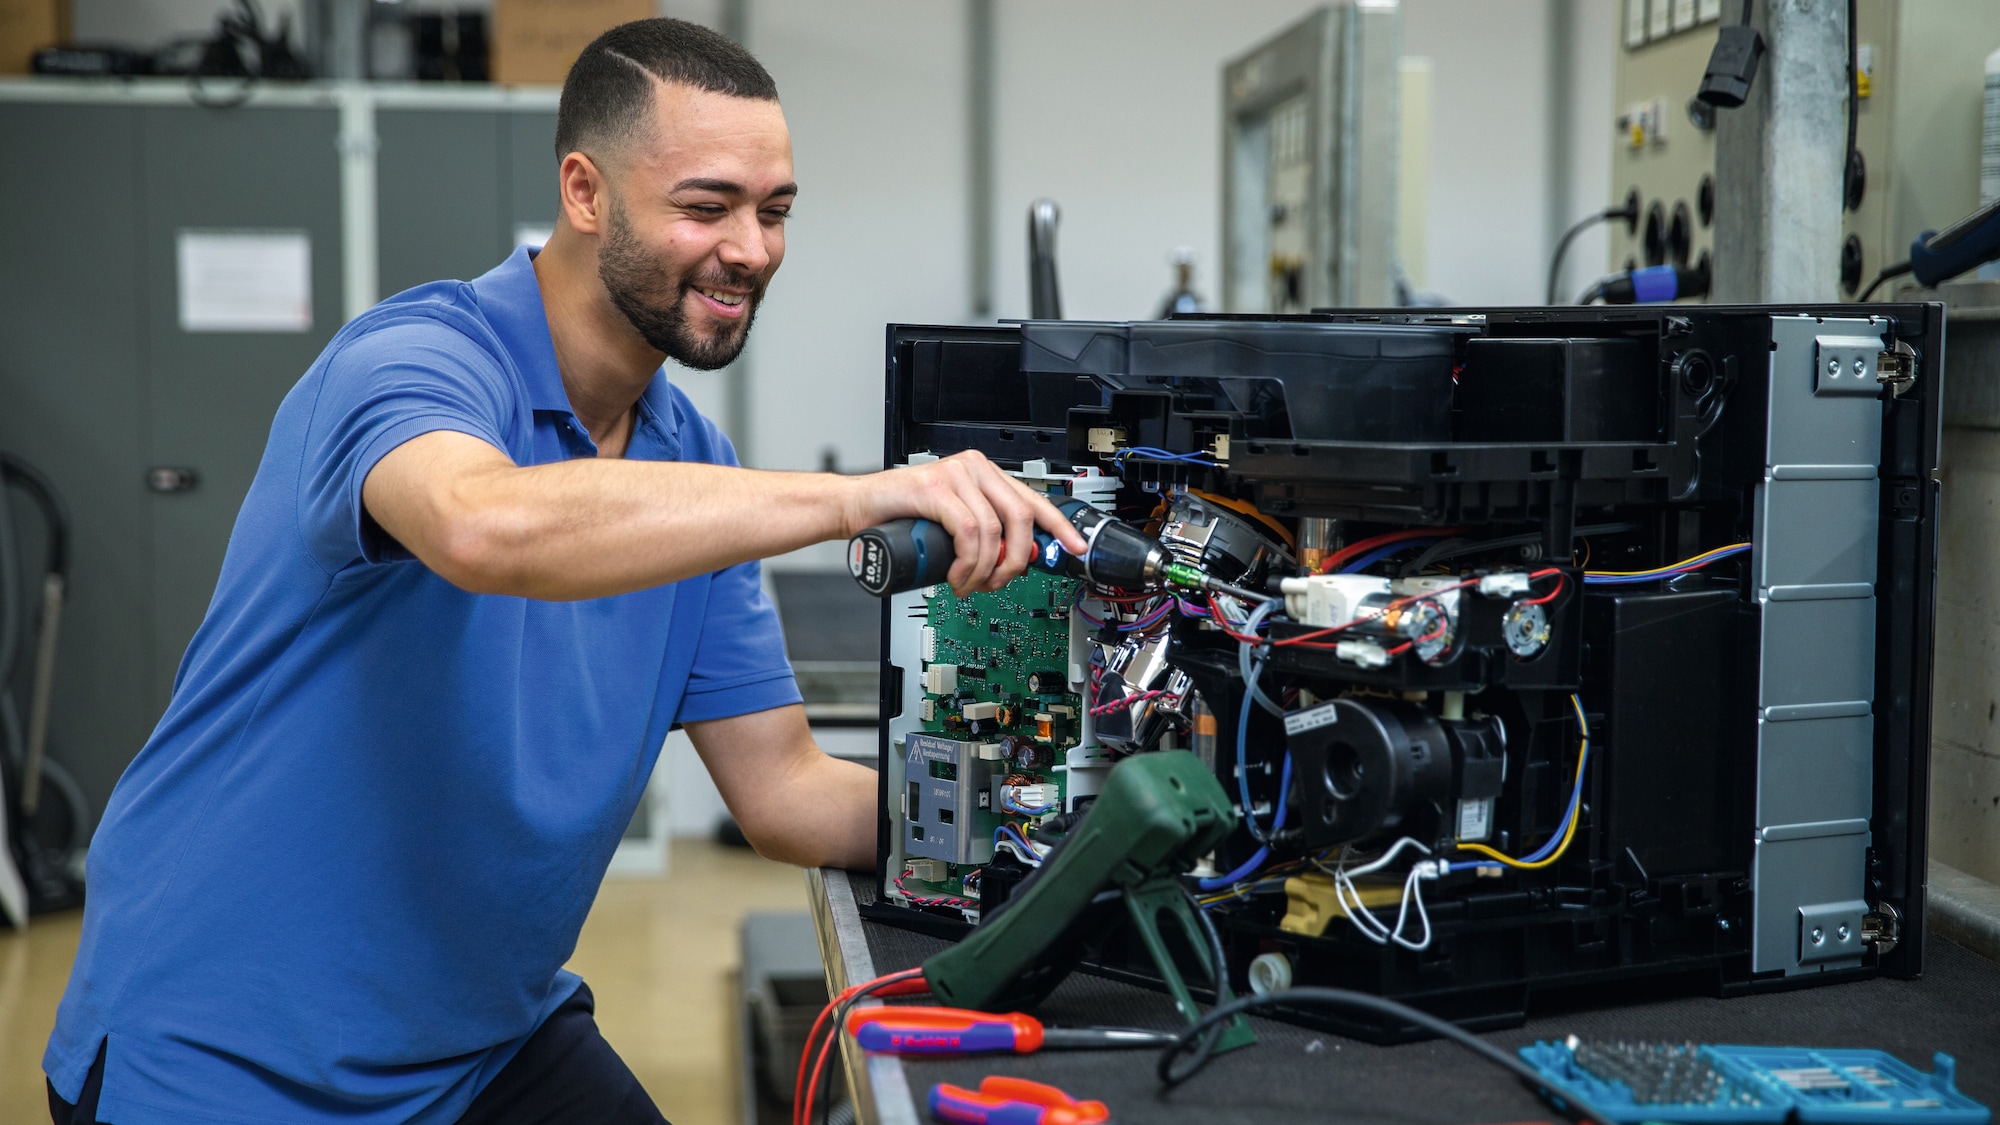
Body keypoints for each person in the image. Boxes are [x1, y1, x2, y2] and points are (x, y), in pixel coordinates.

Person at [44, 18, 1084, 1125]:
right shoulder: (411, 361)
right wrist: (855, 497)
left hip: (478, 1045)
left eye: (773, 212)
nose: (752, 249)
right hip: (225, 1055)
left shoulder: (692, 467)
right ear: (584, 192)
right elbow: (483, 528)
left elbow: (783, 793)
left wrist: (1046, 827)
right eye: (706, 206)